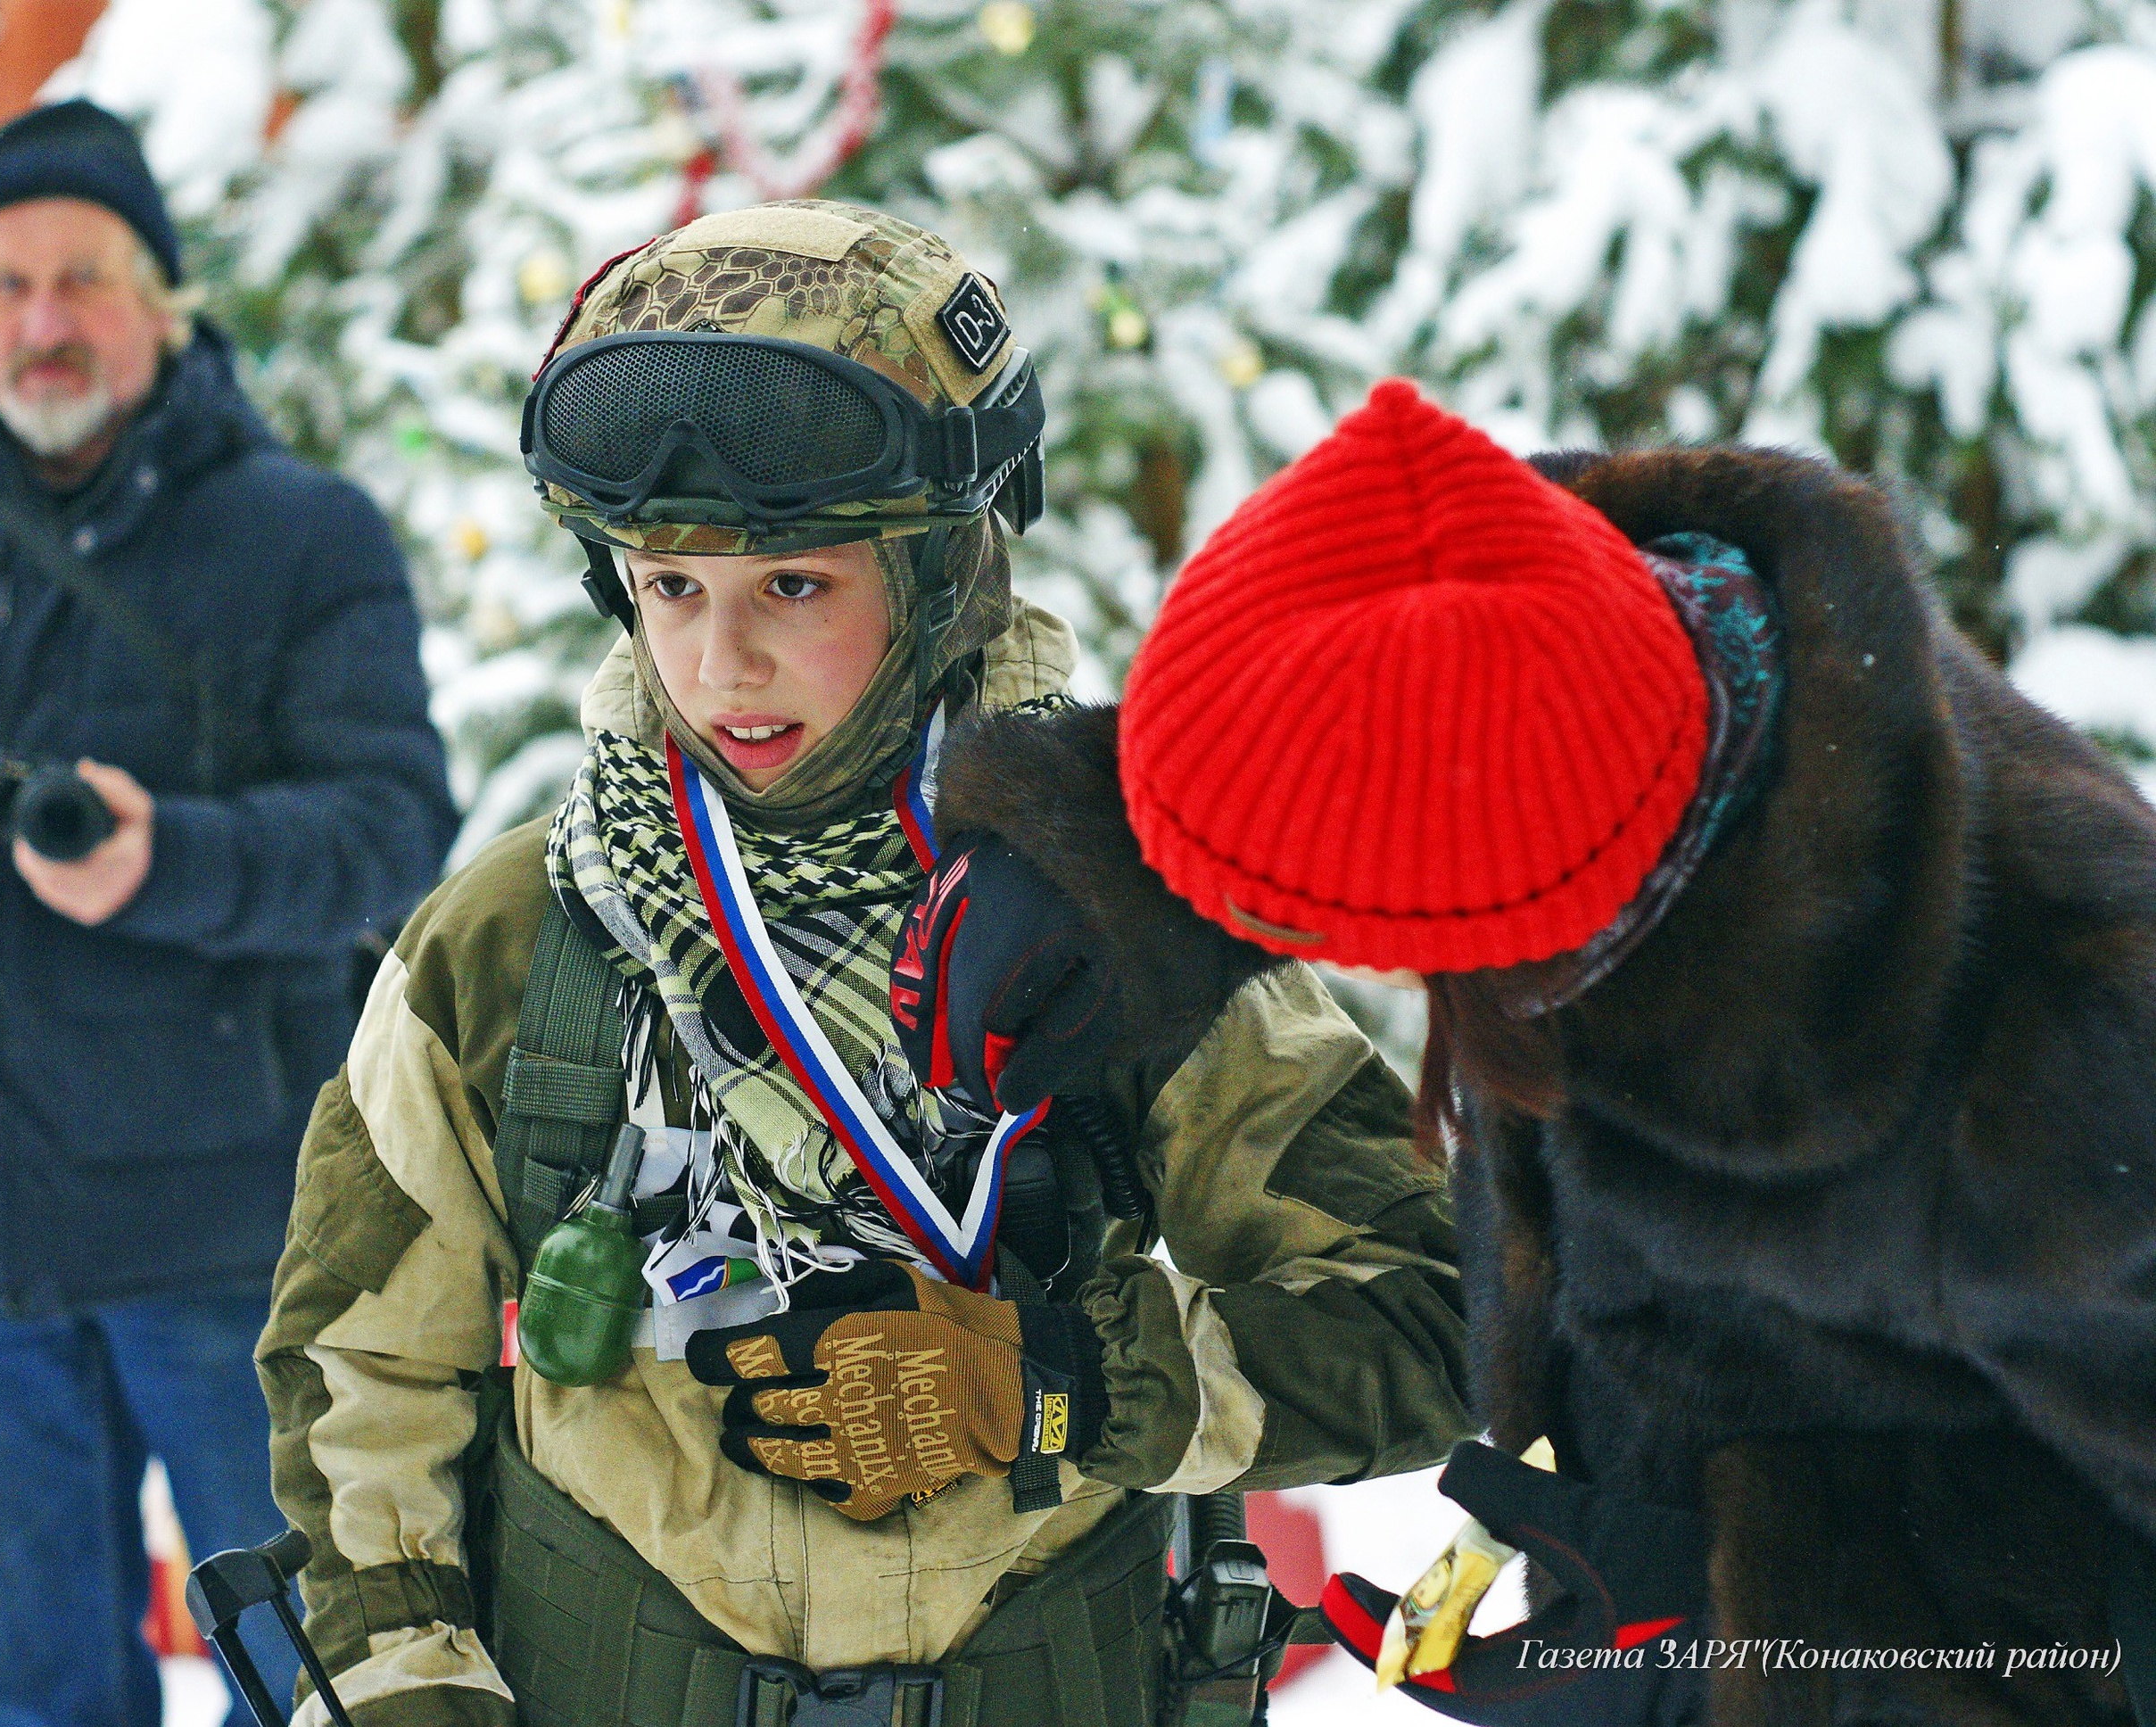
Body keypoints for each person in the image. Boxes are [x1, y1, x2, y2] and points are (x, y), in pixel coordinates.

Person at [255, 200, 1474, 1727]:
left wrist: (1062, 1384)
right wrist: (400, 1690)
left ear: (942, 580)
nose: (719, 663)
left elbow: (1437, 1307)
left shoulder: (1113, 927)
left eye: (796, 587)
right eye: (668, 587)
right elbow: (357, 1370)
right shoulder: (514, 944)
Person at [896, 378, 2156, 1726]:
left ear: (1511, 930)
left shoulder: (2051, 1081)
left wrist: (1757, 1644)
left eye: (1310, 914)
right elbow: (1375, 696)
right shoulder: (1604, 663)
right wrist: (1121, 852)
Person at [0, 99, 457, 1727]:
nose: (41, 322)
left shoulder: (302, 534)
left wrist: (169, 862)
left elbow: (395, 829)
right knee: (47, 1685)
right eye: (4, 285)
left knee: (311, 1679)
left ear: (161, 300)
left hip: (233, 1247)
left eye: (81, 279)